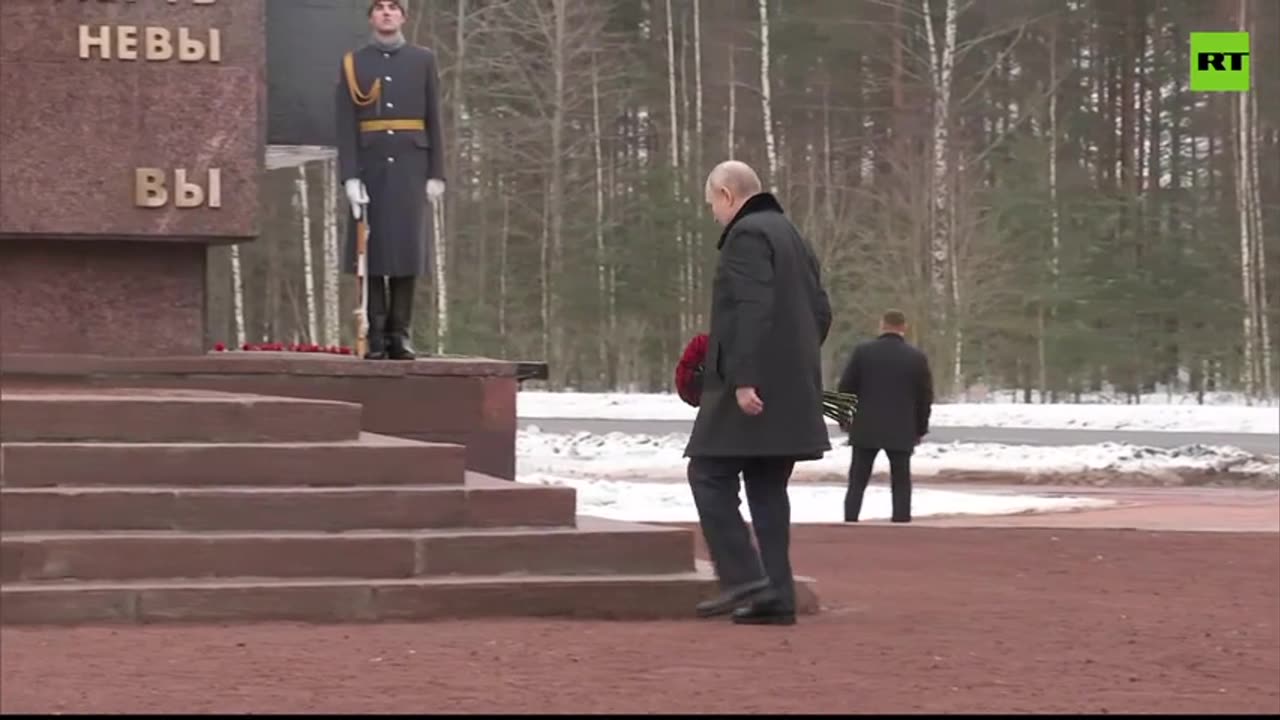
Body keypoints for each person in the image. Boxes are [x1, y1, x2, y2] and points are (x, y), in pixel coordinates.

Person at [684, 160, 833, 626]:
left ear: (727, 195)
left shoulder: (747, 237)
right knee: (767, 488)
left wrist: (746, 378)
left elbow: (751, 308)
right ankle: (778, 596)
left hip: (750, 389)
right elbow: (821, 311)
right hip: (791, 388)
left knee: (707, 473)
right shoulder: (792, 236)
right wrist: (795, 366)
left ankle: (746, 577)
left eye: (713, 204)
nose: (714, 214)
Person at [335, 0, 445, 360]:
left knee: (407, 253)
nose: (386, 12)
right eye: (379, 7)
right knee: (373, 254)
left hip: (412, 166)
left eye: (393, 7)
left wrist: (436, 172)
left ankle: (401, 334)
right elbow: (346, 124)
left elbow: (434, 118)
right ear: (370, 16)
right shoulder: (355, 63)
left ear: (404, 16)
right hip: (371, 167)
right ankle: (377, 335)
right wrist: (350, 176)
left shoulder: (422, 59)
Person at [837, 309, 934, 523]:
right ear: (904, 327)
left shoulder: (862, 353)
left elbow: (845, 389)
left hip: (865, 426)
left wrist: (844, 419)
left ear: (882, 325)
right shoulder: (916, 357)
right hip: (901, 427)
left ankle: (850, 520)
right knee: (901, 480)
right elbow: (924, 397)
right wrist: (920, 428)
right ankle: (900, 521)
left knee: (858, 480)